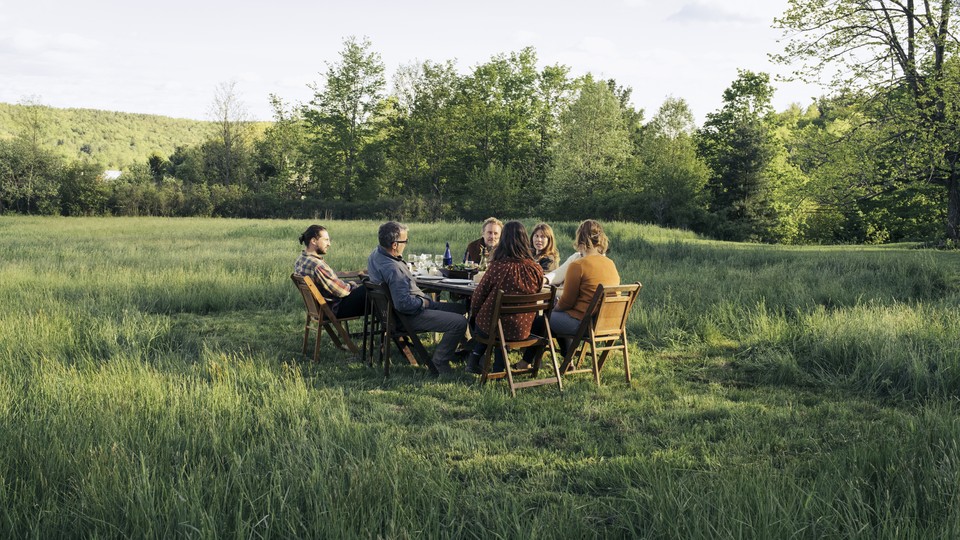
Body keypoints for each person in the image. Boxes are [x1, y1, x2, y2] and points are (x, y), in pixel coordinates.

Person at [367, 221, 468, 374]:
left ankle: (467, 349)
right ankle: (439, 362)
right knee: (459, 322)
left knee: (463, 308)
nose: (406, 244)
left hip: (394, 313)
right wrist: (424, 302)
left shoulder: (376, 255)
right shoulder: (393, 269)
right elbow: (403, 305)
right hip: (407, 316)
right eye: (405, 241)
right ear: (394, 245)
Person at [520, 219, 620, 367]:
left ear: (580, 238)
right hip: (606, 324)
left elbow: (567, 302)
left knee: (542, 321)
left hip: (582, 325)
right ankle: (566, 360)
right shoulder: (610, 263)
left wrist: (553, 310)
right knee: (553, 319)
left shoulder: (578, 265)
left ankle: (527, 362)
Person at [465, 221, 544, 374]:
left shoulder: (498, 267)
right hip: (524, 328)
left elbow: (477, 298)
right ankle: (493, 366)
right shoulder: (536, 269)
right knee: (500, 321)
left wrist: (475, 314)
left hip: (494, 328)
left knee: (490, 321)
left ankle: (484, 363)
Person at [294, 224, 367, 318]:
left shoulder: (300, 260)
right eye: (326, 240)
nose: (329, 244)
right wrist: (352, 285)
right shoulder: (317, 265)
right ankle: (387, 328)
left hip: (318, 309)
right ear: (313, 241)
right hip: (333, 309)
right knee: (369, 290)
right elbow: (341, 291)